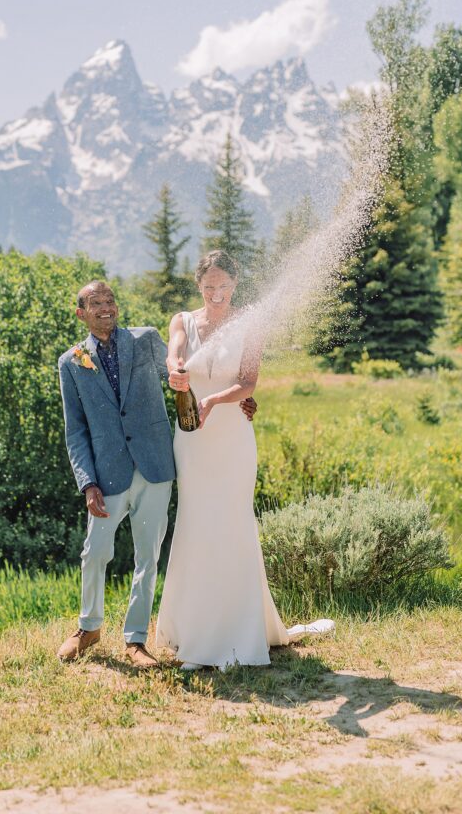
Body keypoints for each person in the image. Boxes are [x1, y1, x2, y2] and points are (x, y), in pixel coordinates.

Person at [56, 279, 258, 669]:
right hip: (107, 475)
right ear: (81, 313)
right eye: (96, 303)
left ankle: (135, 641)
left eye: (110, 300)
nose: (106, 308)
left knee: (146, 557)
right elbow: (75, 431)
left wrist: (241, 398)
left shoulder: (146, 340)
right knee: (95, 552)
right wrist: (87, 483)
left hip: (154, 467)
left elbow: (185, 377)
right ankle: (88, 628)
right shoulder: (72, 362)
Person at [156, 250, 334, 669]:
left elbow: (249, 380)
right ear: (198, 285)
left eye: (223, 286)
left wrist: (215, 399)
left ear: (235, 285)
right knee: (196, 521)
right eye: (208, 286)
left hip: (233, 435)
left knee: (233, 521)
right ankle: (193, 631)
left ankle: (237, 631)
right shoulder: (181, 321)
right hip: (192, 437)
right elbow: (174, 355)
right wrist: (175, 371)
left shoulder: (251, 324)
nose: (216, 294)